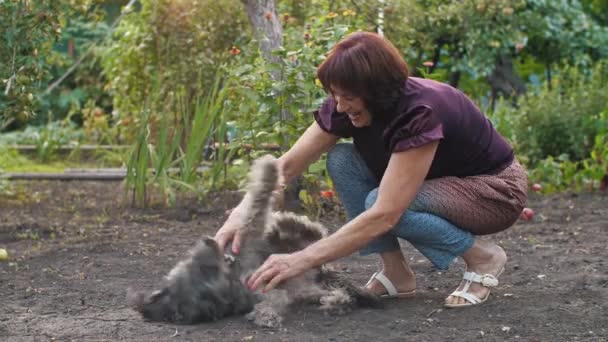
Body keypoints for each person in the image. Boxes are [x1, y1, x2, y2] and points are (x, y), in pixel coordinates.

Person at [214, 31, 528, 308]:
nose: (339, 105)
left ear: (378, 92)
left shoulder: (420, 112)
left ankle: (483, 258)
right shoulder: (347, 104)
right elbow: (289, 164)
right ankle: (396, 272)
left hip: (493, 190)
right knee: (342, 160)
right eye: (335, 95)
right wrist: (244, 211)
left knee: (381, 203)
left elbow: (385, 214)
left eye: (348, 97)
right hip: (439, 183)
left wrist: (300, 260)